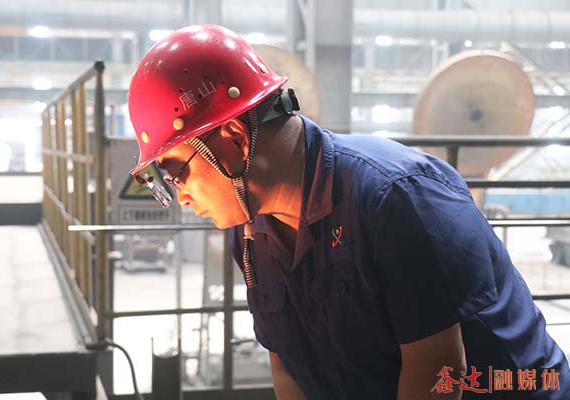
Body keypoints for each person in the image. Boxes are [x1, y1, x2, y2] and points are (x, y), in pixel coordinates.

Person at [128, 24, 570, 400]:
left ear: (235, 139)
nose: (181, 196)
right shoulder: (250, 230)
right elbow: (288, 365)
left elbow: (437, 374)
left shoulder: (393, 198)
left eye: (177, 172)